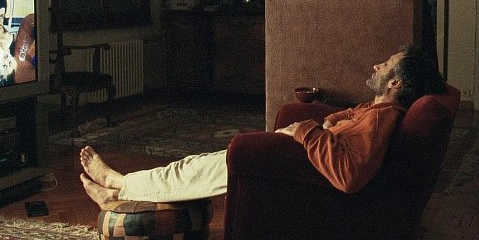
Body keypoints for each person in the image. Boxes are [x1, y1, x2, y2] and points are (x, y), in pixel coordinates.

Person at [79, 45, 445, 208]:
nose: (378, 65)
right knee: (197, 167)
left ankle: (118, 184)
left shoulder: (381, 119)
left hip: (290, 161)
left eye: (387, 65)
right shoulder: (376, 109)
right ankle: (120, 192)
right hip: (292, 152)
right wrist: (327, 122)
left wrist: (304, 131)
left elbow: (349, 176)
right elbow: (345, 117)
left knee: (191, 171)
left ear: (396, 83)